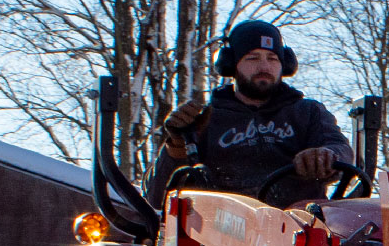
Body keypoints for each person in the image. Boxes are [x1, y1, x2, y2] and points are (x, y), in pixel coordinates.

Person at [148, 19, 354, 210]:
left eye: (272, 58)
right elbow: (158, 198)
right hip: (223, 234)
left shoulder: (308, 112)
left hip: (302, 232)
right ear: (231, 64)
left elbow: (340, 148)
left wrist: (325, 156)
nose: (264, 66)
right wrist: (176, 146)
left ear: (285, 65)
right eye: (253, 58)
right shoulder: (204, 119)